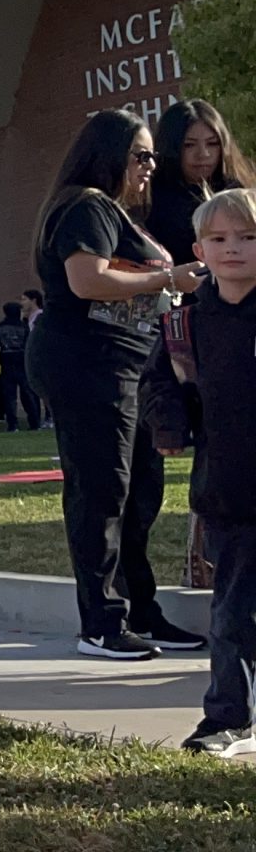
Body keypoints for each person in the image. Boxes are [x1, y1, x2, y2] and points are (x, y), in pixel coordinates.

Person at [26, 108, 205, 660]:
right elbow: (88, 280)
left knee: (139, 493)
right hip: (86, 363)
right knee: (101, 492)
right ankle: (100, 624)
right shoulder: (85, 204)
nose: (151, 166)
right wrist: (167, 277)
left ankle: (141, 612)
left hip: (128, 370)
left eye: (153, 155)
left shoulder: (116, 212)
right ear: (109, 155)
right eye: (141, 155)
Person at [144, 188, 256, 755]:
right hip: (228, 491)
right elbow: (159, 385)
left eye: (248, 237)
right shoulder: (183, 327)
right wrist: (169, 427)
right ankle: (226, 719)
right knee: (232, 611)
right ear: (198, 250)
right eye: (219, 239)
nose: (233, 248)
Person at [149, 100, 253, 266]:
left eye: (212, 144)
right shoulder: (149, 201)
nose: (203, 154)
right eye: (189, 145)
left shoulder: (241, 193)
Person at [0, 302, 39, 431]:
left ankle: (12, 424)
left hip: (6, 363)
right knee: (28, 394)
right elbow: (29, 343)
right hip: (22, 363)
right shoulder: (23, 326)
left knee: (10, 396)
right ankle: (34, 423)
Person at [24, 288, 54, 427]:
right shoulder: (28, 319)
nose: (22, 303)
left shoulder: (40, 316)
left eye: (24, 299)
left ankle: (50, 417)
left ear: (33, 300)